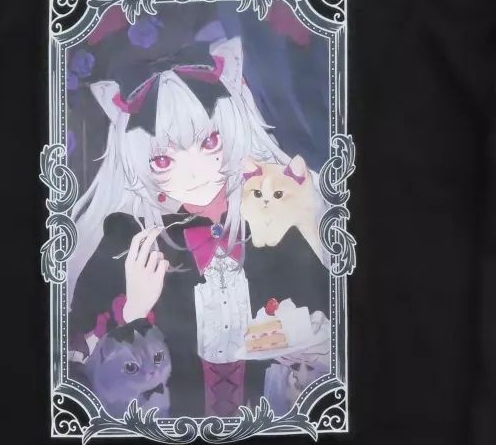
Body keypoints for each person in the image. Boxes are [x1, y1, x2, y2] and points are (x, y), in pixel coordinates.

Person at [66, 32, 332, 419]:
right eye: (163, 160)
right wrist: (135, 312)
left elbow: (329, 306)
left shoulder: (275, 215)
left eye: (209, 142)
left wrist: (314, 341)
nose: (194, 172)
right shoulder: (126, 240)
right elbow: (77, 370)